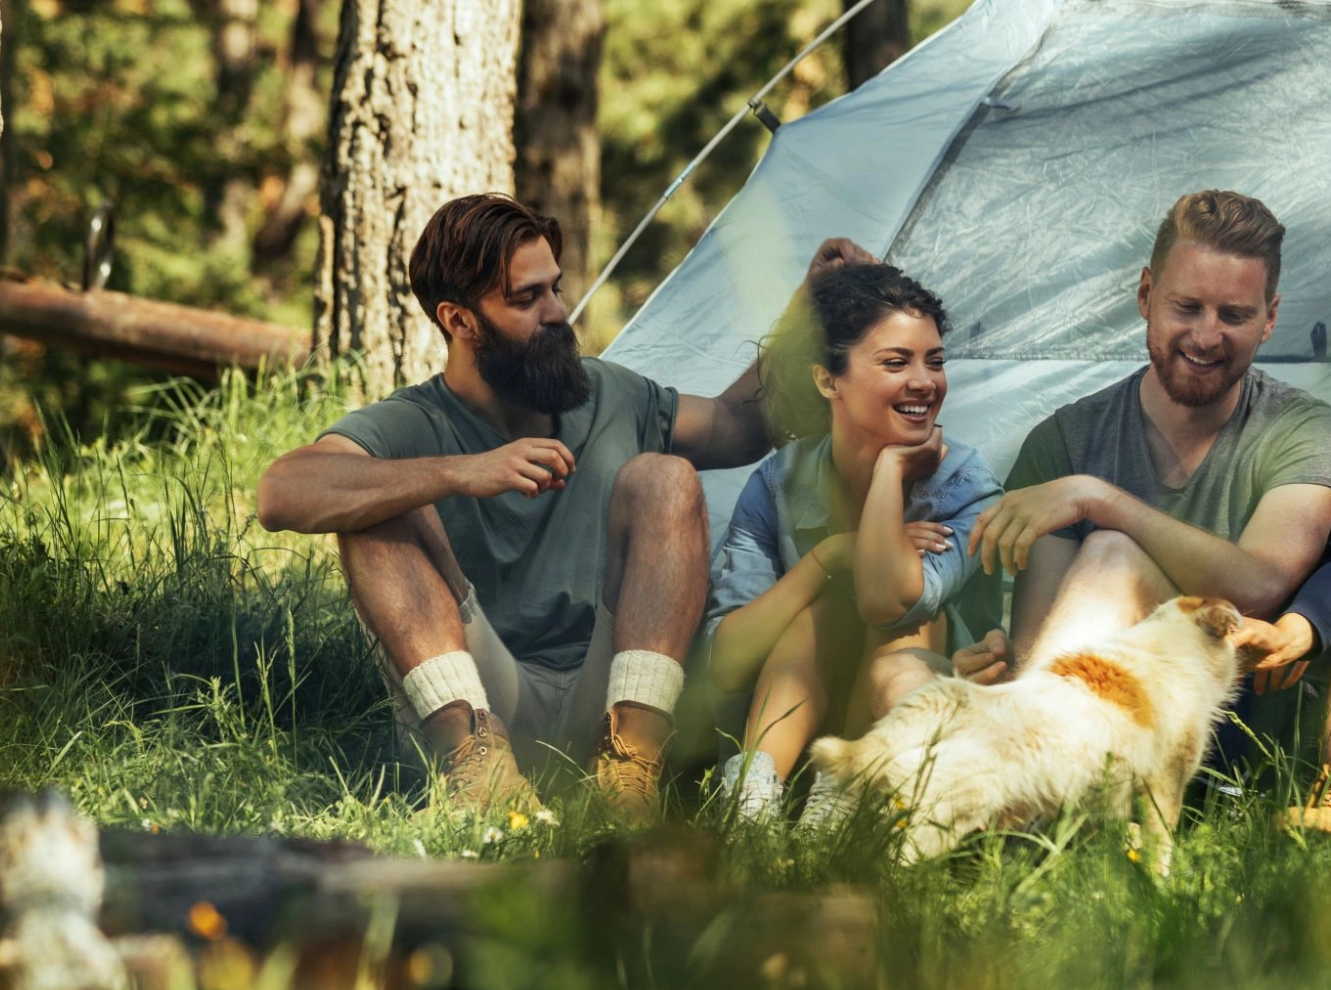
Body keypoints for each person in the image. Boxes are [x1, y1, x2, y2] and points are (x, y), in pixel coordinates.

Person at [255, 193, 868, 821]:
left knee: (666, 477)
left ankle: (630, 777)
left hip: (612, 697)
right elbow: (282, 493)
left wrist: (809, 307)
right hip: (479, 703)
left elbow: (742, 424)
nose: (557, 312)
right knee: (369, 506)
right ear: (459, 320)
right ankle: (482, 777)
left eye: (555, 288)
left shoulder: (609, 392)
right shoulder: (414, 420)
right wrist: (462, 472)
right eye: (527, 299)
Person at [954, 191, 1331, 702]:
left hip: (1240, 720)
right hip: (1093, 716)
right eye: (1188, 307)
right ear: (1146, 295)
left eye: (1234, 315)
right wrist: (1000, 662)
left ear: (1268, 319)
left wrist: (1100, 500)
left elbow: (1259, 587)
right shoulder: (1066, 441)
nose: (1206, 336)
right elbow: (1036, 648)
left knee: (1113, 553)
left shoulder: (1303, 430)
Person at [704, 263, 1001, 822]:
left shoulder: (964, 483)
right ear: (827, 380)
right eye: (896, 362)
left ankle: (839, 807)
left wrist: (891, 469)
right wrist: (832, 554)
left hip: (918, 743)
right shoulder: (777, 484)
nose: (925, 381)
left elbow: (892, 601)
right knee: (825, 594)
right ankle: (751, 802)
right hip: (790, 723)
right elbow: (727, 663)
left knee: (905, 610)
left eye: (934, 361)